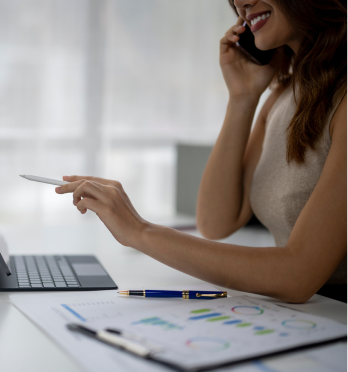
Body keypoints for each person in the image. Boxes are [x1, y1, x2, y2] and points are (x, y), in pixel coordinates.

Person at [56, 0, 348, 304]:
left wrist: (139, 231)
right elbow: (216, 221)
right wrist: (242, 97)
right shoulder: (283, 96)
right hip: (314, 316)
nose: (240, 2)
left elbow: (297, 275)